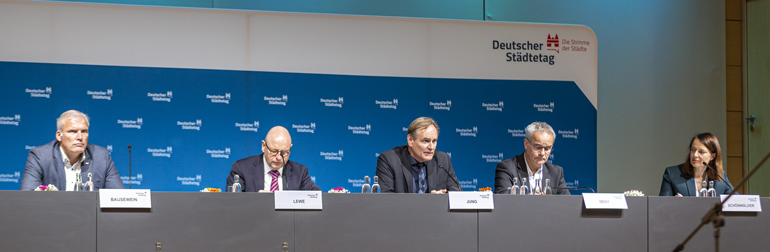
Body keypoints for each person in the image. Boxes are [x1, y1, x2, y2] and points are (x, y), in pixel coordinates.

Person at [21, 110, 125, 191]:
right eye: (72, 131)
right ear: (59, 135)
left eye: (84, 131)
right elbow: (28, 196)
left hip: (90, 217)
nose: (80, 137)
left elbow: (120, 197)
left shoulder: (101, 156)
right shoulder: (40, 156)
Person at [376, 117, 460, 193]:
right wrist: (428, 202)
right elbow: (386, 199)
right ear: (410, 140)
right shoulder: (389, 160)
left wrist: (441, 200)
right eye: (425, 141)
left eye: (434, 141)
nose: (431, 147)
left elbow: (458, 196)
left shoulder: (442, 160)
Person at [226, 126, 320, 192]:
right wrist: (256, 201)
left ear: (290, 149)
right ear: (263, 146)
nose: (278, 157)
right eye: (274, 151)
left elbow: (318, 198)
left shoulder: (300, 172)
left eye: (284, 153)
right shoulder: (242, 169)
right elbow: (232, 204)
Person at [494, 122, 569, 195]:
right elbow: (502, 201)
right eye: (538, 147)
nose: (542, 153)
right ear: (526, 143)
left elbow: (567, 204)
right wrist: (528, 201)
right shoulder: (507, 168)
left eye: (547, 148)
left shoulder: (556, 172)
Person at [659, 133, 734, 196]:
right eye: (693, 150)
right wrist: (674, 203)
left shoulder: (720, 176)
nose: (695, 155)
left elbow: (737, 201)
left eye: (701, 152)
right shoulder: (672, 174)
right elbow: (661, 206)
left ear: (712, 156)